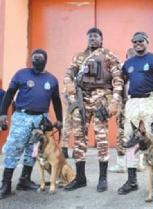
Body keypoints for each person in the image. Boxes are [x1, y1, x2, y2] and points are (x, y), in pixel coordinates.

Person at [63, 27, 123, 193]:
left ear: (101, 39)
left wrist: (115, 101)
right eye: (90, 36)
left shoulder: (108, 55)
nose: (92, 39)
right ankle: (80, 178)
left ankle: (102, 178)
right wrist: (69, 87)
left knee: (101, 137)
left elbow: (118, 79)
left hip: (100, 99)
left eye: (96, 36)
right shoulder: (79, 57)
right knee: (79, 138)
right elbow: (68, 74)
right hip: (81, 100)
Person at [0, 49, 63, 199]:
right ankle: (6, 184)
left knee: (33, 149)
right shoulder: (21, 74)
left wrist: (59, 119)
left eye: (40, 58)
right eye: (34, 58)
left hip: (41, 119)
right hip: (22, 116)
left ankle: (24, 180)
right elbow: (9, 93)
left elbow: (56, 100)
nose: (36, 60)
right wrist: (2, 113)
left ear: (45, 60)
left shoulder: (52, 79)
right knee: (14, 147)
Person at [117, 32, 153, 196]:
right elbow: (121, 82)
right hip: (133, 103)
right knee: (130, 139)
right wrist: (123, 102)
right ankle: (132, 181)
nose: (138, 43)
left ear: (147, 41)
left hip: (151, 101)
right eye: (135, 41)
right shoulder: (128, 64)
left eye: (141, 41)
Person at [109, 48, 146, 173]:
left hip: (132, 104)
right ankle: (131, 163)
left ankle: (131, 163)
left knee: (132, 133)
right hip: (128, 104)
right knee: (130, 133)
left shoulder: (125, 67)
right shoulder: (124, 68)